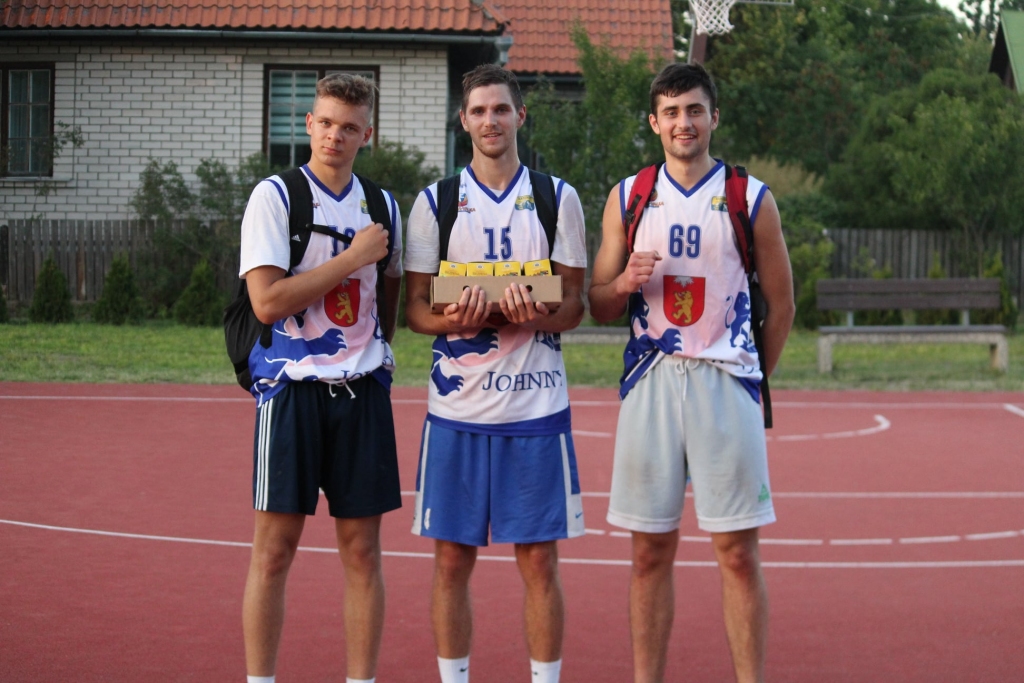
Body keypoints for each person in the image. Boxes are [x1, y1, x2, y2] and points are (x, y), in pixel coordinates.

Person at [587, 62, 795, 683]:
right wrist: (624, 282)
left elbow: (782, 306)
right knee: (649, 551)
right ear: (654, 122)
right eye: (672, 112)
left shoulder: (749, 197)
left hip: (722, 381)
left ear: (714, 117)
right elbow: (597, 303)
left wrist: (749, 374)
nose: (684, 122)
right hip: (651, 380)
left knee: (736, 552)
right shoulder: (629, 196)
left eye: (695, 110)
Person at [403, 64, 588, 683]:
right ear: (464, 121)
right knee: (453, 562)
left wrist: (535, 312)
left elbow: (573, 307)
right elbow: (416, 313)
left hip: (535, 410)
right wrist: (456, 317)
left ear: (520, 117)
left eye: (501, 110)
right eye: (479, 111)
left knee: (538, 564)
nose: (490, 121)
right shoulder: (435, 203)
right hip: (457, 413)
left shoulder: (558, 197)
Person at [237, 73, 403, 683]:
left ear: (368, 134)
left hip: (361, 395)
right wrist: (350, 258)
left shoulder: (382, 207)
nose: (336, 135)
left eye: (349, 126)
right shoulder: (276, 197)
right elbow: (267, 303)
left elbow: (387, 306)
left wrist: (370, 356)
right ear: (308, 123)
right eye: (326, 122)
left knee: (363, 552)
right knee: (274, 551)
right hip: (292, 392)